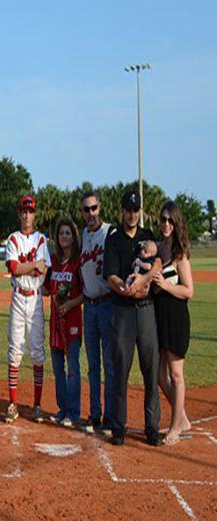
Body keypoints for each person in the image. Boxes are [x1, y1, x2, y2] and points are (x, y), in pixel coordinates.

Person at [103, 188, 163, 447]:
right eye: (128, 209)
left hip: (147, 310)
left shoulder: (147, 236)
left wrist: (143, 281)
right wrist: (128, 289)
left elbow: (158, 263)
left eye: (136, 210)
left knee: (150, 369)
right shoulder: (114, 238)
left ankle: (152, 427)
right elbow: (111, 276)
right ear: (122, 211)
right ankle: (119, 426)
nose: (132, 214)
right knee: (120, 371)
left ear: (140, 212)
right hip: (124, 311)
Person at [4, 195, 50, 424]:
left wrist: (26, 268)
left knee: (36, 353)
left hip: (35, 301)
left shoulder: (42, 239)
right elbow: (13, 267)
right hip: (18, 298)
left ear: (35, 213)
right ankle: (12, 404)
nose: (26, 215)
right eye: (23, 210)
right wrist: (32, 266)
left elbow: (44, 271)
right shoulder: (13, 239)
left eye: (30, 211)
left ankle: (37, 405)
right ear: (19, 213)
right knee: (14, 351)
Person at [153, 201, 194, 445]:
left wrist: (166, 285)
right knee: (160, 375)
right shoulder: (159, 248)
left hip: (176, 317)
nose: (166, 224)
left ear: (176, 223)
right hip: (159, 316)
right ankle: (184, 419)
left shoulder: (179, 254)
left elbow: (189, 290)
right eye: (163, 219)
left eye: (170, 220)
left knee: (176, 374)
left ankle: (175, 428)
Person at [78, 190, 115, 435]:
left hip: (107, 304)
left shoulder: (109, 233)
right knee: (93, 365)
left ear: (99, 208)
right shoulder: (83, 234)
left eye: (94, 208)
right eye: (86, 209)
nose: (91, 213)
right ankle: (94, 414)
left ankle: (111, 417)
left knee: (110, 364)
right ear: (82, 213)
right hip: (88, 306)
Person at [44, 217, 84, 427]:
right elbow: (43, 288)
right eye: (61, 233)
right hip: (55, 323)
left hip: (72, 321)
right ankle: (62, 408)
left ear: (73, 236)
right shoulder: (53, 260)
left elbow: (85, 292)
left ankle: (74, 412)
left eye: (68, 233)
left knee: (72, 368)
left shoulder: (78, 262)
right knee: (58, 368)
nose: (64, 236)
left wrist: (70, 304)